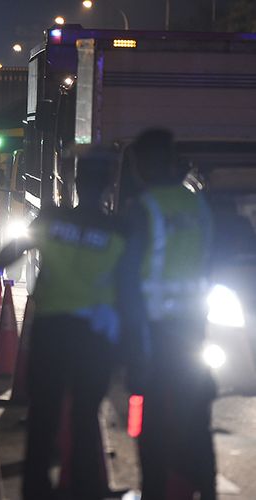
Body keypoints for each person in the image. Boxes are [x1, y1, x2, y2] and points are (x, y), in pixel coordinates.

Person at [0, 148, 147, 500]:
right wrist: (134, 346)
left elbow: (15, 248)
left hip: (51, 332)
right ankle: (86, 490)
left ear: (77, 182)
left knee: (44, 416)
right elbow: (130, 291)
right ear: (109, 187)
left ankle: (35, 490)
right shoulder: (119, 231)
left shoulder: (52, 220)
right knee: (85, 416)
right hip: (94, 338)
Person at [129, 129, 216, 500]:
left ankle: (154, 492)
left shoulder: (144, 208)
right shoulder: (198, 205)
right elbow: (210, 261)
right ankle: (206, 492)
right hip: (194, 331)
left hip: (154, 333)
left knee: (150, 427)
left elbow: (129, 277)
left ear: (145, 164)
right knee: (196, 421)